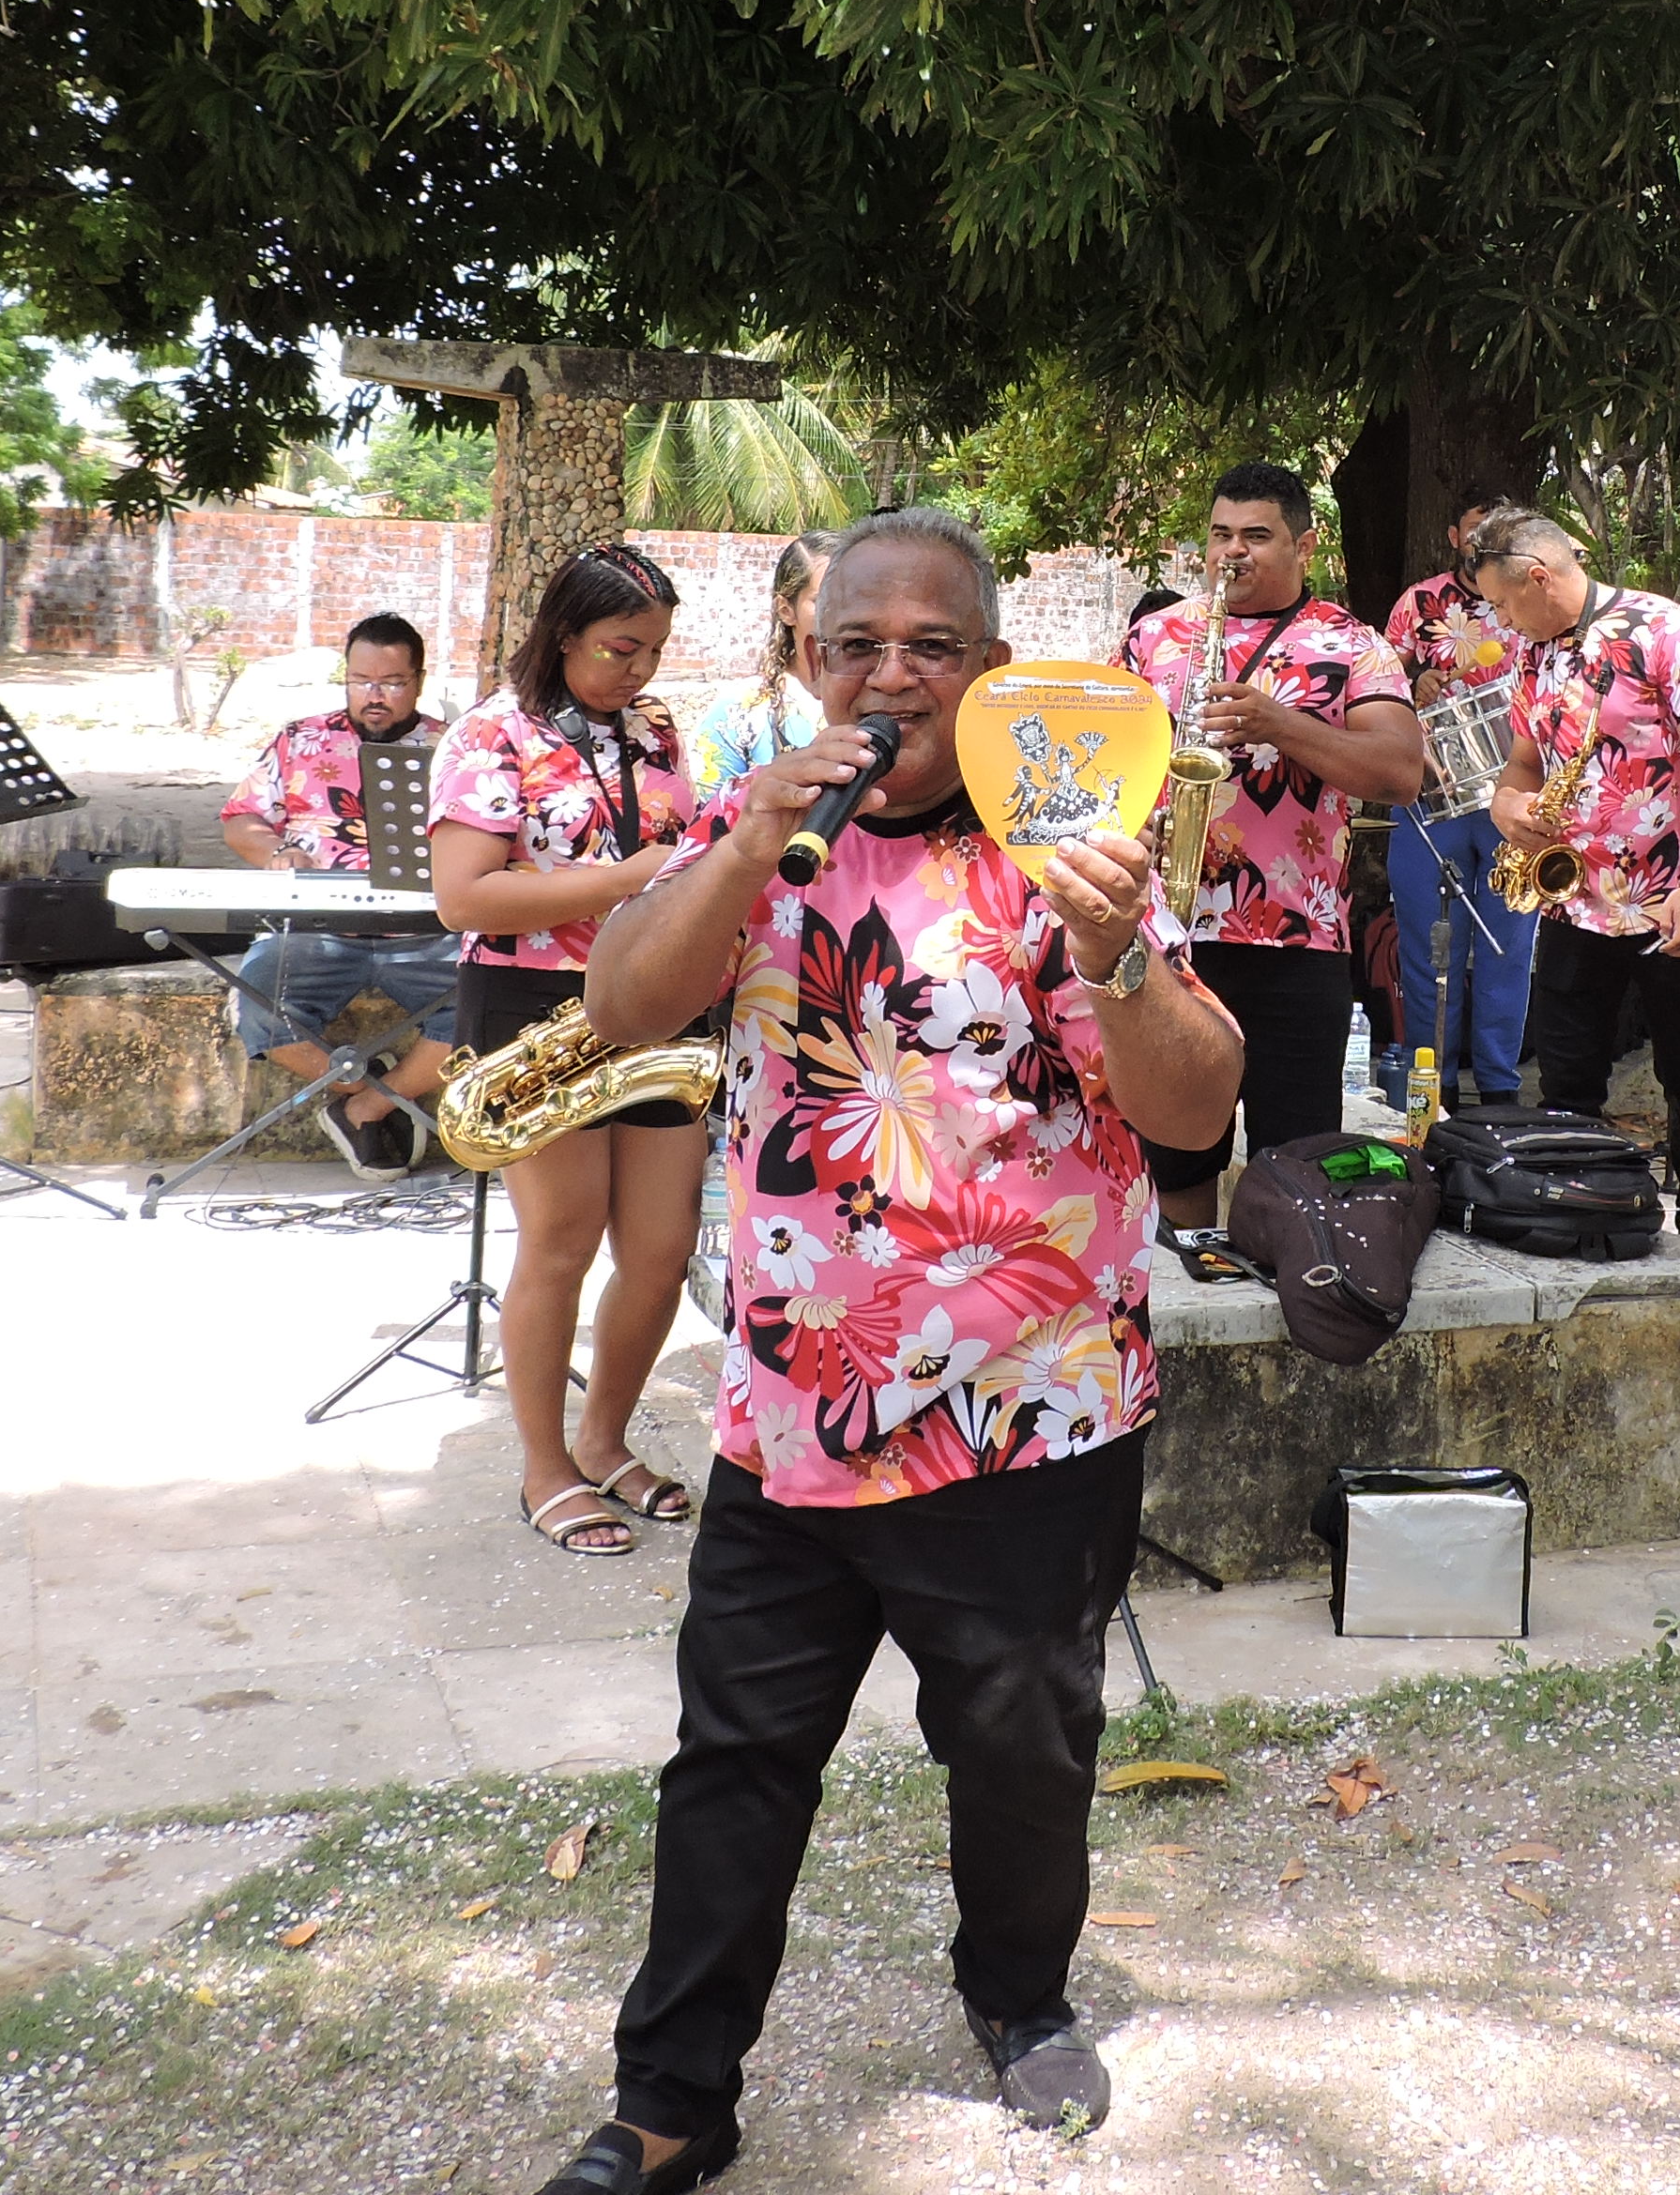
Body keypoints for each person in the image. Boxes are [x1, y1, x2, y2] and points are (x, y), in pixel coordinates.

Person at [548, 510, 1241, 2195]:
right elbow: (624, 1003)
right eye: (857, 644)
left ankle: (1017, 1996)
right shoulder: (754, 824)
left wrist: (1116, 955)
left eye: (932, 646)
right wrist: (737, 850)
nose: (891, 676)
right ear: (809, 660)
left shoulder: (1064, 839)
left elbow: (1196, 1109)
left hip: (1027, 1411)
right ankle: (671, 2097)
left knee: (1021, 1750)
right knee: (734, 1756)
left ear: (989, 669)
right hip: (793, 1405)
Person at [429, 545, 707, 1557]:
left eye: (654, 651)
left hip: (656, 994)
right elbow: (464, 897)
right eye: (621, 649)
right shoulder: (489, 734)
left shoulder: (653, 729)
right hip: (536, 1002)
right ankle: (545, 1467)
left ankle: (604, 1440)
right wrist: (631, 877)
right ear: (562, 636)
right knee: (562, 1239)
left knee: (662, 1248)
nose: (640, 671)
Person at [1119, 463, 1421, 1251]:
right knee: (1172, 1160)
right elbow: (1104, 763)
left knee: (1295, 1167)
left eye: (1256, 536)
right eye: (1220, 535)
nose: (1233, 553)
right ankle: (1184, 1295)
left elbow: (1400, 772)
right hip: (1171, 937)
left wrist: (1279, 724)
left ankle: (1287, 1291)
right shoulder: (1153, 637)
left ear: (1304, 546)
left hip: (1298, 939)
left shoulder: (1352, 643)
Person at [1468, 505, 1680, 1240]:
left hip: (1671, 900)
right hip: (1574, 902)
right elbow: (1523, 762)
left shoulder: (1662, 628)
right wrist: (1506, 805)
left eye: (1501, 603)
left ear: (1537, 577)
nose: (1499, 620)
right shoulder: (1530, 651)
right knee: (1565, 1082)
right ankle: (1580, 1220)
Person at [218, 613, 460, 1181]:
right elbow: (241, 820)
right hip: (316, 928)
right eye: (361, 681)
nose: (375, 696)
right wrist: (276, 852)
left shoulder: (454, 747)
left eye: (392, 683)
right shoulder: (300, 738)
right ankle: (362, 1083)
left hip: (426, 928)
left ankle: (367, 1108)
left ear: (419, 682)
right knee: (256, 1003)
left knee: (488, 1005)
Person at [1379, 494, 1538, 1113]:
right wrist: (1413, 682)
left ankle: (1499, 1089)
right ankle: (1432, 1086)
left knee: (1507, 945)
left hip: (1515, 794)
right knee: (1429, 944)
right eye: (1476, 530)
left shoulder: (1532, 602)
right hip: (1433, 794)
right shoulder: (1418, 604)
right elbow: (1377, 689)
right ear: (1454, 536)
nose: (1484, 541)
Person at [693, 531, 833, 794]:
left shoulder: (888, 702)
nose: (842, 614)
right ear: (786, 610)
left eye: (856, 599)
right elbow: (710, 812)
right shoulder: (738, 712)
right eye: (824, 601)